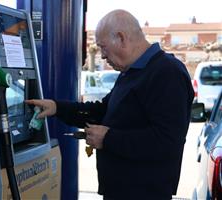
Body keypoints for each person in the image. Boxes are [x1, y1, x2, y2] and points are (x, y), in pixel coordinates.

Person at [25, 9, 194, 200]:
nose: (103, 56)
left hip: (144, 192)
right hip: (120, 189)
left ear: (121, 38)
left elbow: (167, 141)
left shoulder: (167, 73)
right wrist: (56, 107)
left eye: (103, 47)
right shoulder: (132, 72)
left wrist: (108, 139)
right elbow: (102, 111)